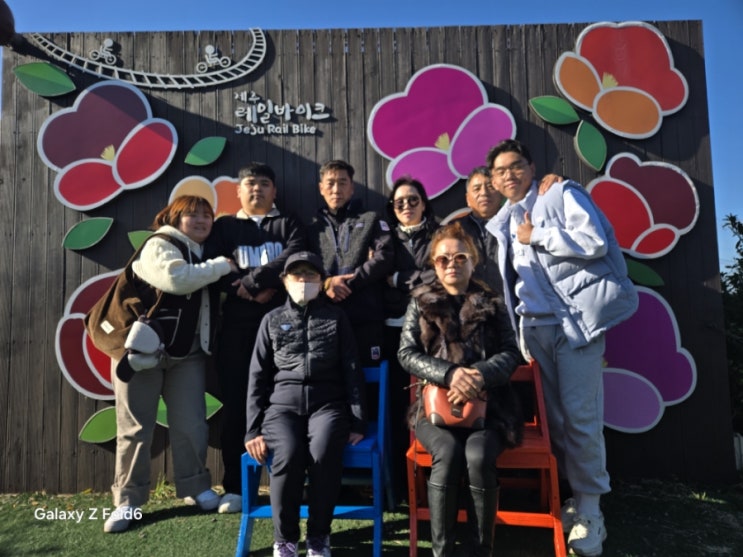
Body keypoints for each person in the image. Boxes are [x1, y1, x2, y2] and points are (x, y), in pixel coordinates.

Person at [485, 139, 638, 557]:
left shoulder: (560, 193)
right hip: (535, 329)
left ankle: (591, 512)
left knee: (581, 418)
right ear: (493, 181)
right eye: (500, 171)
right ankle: (575, 498)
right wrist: (521, 332)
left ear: (532, 167)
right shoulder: (502, 221)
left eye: (516, 165)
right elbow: (515, 283)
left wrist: (538, 235)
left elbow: (594, 241)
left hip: (574, 326)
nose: (509, 175)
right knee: (556, 421)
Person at [104, 195, 238, 533]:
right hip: (141, 353)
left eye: (207, 215)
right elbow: (176, 279)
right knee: (135, 428)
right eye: (192, 215)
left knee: (192, 424)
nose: (201, 220)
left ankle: (195, 487)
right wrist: (224, 266)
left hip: (187, 354)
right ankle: (128, 501)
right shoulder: (160, 244)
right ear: (173, 218)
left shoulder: (202, 253)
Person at [397, 222, 522, 557]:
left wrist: (478, 376)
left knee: (478, 456)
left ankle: (481, 551)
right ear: (434, 265)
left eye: (459, 257)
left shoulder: (492, 302)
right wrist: (450, 374)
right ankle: (443, 552)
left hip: (491, 408)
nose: (451, 264)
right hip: (435, 410)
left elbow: (511, 353)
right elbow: (406, 354)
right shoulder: (420, 302)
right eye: (443, 259)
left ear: (473, 261)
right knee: (449, 453)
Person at [244, 251, 367, 557]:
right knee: (287, 453)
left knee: (324, 453)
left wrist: (358, 421)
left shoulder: (337, 318)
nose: (303, 280)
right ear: (285, 280)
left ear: (321, 280)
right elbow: (257, 376)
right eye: (296, 274)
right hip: (282, 409)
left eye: (310, 274)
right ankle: (285, 540)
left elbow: (352, 369)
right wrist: (252, 430)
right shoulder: (271, 320)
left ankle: (318, 536)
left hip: (328, 406)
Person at [205, 162, 306, 514]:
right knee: (237, 407)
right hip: (236, 330)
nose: (257, 189)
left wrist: (254, 281)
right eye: (250, 183)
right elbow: (211, 265)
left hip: (285, 331)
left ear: (274, 190)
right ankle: (236, 487)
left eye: (264, 183)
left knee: (287, 404)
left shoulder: (289, 223)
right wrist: (244, 290)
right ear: (238, 190)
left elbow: (296, 257)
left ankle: (293, 482)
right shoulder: (225, 227)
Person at [382, 175, 438, 502]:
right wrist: (407, 280)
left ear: (424, 203)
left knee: (429, 408)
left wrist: (398, 278)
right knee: (395, 410)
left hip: (430, 332)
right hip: (390, 329)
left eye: (413, 200)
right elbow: (378, 274)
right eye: (400, 202)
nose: (406, 206)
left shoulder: (439, 234)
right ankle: (400, 488)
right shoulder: (384, 236)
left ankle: (433, 485)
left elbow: (437, 276)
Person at [306, 159, 395, 366]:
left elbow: (385, 257)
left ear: (352, 187)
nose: (336, 189)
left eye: (342, 182)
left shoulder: (372, 219)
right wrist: (327, 284)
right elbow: (304, 268)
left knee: (368, 376)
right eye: (330, 183)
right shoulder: (311, 228)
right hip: (324, 318)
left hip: (367, 318)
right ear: (321, 188)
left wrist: (348, 283)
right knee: (330, 376)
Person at [450, 167, 504, 294]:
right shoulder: (455, 230)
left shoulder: (515, 223)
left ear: (501, 193)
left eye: (490, 187)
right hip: (470, 301)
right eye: (477, 189)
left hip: (513, 301)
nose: (484, 193)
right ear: (468, 199)